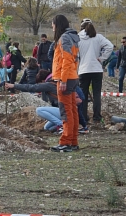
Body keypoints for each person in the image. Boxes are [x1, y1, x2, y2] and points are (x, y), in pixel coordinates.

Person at [50, 14, 80, 152]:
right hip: (72, 77)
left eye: (53, 24)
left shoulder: (64, 39)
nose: (52, 27)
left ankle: (66, 142)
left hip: (66, 79)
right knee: (72, 110)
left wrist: (63, 79)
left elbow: (67, 60)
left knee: (66, 111)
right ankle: (73, 141)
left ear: (58, 25)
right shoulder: (72, 38)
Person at [77, 19, 113, 125]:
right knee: (96, 94)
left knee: (83, 94)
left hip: (83, 69)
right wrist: (102, 58)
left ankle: (84, 117)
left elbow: (75, 54)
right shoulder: (98, 37)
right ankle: (97, 117)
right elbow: (110, 46)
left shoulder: (78, 37)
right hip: (96, 69)